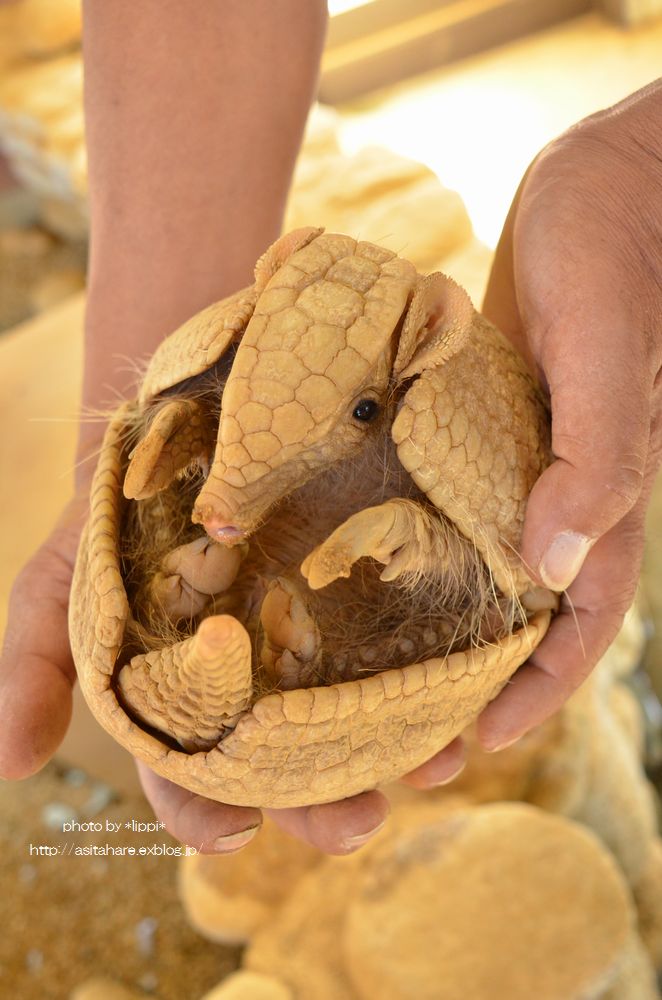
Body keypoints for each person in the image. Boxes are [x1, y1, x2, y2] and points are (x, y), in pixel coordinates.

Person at [0, 1, 660, 856]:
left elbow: (498, 578)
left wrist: (642, 172)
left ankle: (296, 659)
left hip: (387, 608)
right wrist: (180, 393)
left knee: (460, 574)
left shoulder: (459, 399)